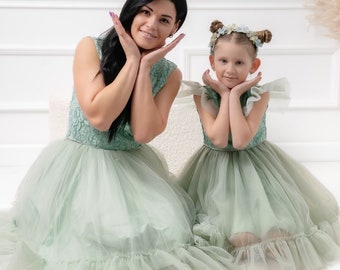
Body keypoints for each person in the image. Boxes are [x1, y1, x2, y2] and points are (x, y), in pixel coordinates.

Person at [0, 3, 236, 270]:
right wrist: (132, 61)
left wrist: (145, 69)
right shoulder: (91, 47)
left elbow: (143, 132)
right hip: (78, 169)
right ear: (130, 12)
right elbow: (100, 118)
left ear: (175, 27)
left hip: (133, 169)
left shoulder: (170, 74)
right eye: (145, 12)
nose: (151, 24)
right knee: (90, 238)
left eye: (164, 19)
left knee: (162, 233)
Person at [178, 19, 340, 270]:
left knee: (275, 234)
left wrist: (233, 95)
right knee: (233, 237)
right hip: (214, 174)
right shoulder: (204, 94)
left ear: (254, 66)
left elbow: (241, 141)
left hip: (257, 168)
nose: (230, 70)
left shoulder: (259, 94)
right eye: (223, 61)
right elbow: (219, 139)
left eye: (239, 62)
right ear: (212, 62)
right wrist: (223, 93)